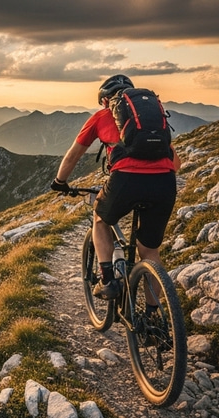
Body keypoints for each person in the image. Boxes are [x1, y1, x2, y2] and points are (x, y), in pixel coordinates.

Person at [51, 75, 180, 300]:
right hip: (165, 183)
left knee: (100, 219)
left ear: (105, 101)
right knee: (149, 252)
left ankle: (108, 280)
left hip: (125, 180)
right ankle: (152, 321)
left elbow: (73, 155)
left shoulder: (101, 116)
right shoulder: (149, 121)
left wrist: (59, 182)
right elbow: (176, 163)